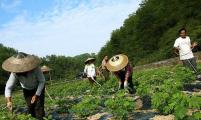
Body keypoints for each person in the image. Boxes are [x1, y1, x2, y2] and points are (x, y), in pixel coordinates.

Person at [3, 52, 46, 120]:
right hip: (26, 89)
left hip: (38, 87)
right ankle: (33, 118)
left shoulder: (35, 69)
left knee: (39, 106)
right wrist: (9, 101)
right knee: (30, 106)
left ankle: (40, 117)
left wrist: (36, 95)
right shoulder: (15, 73)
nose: (21, 72)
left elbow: (42, 81)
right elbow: (8, 87)